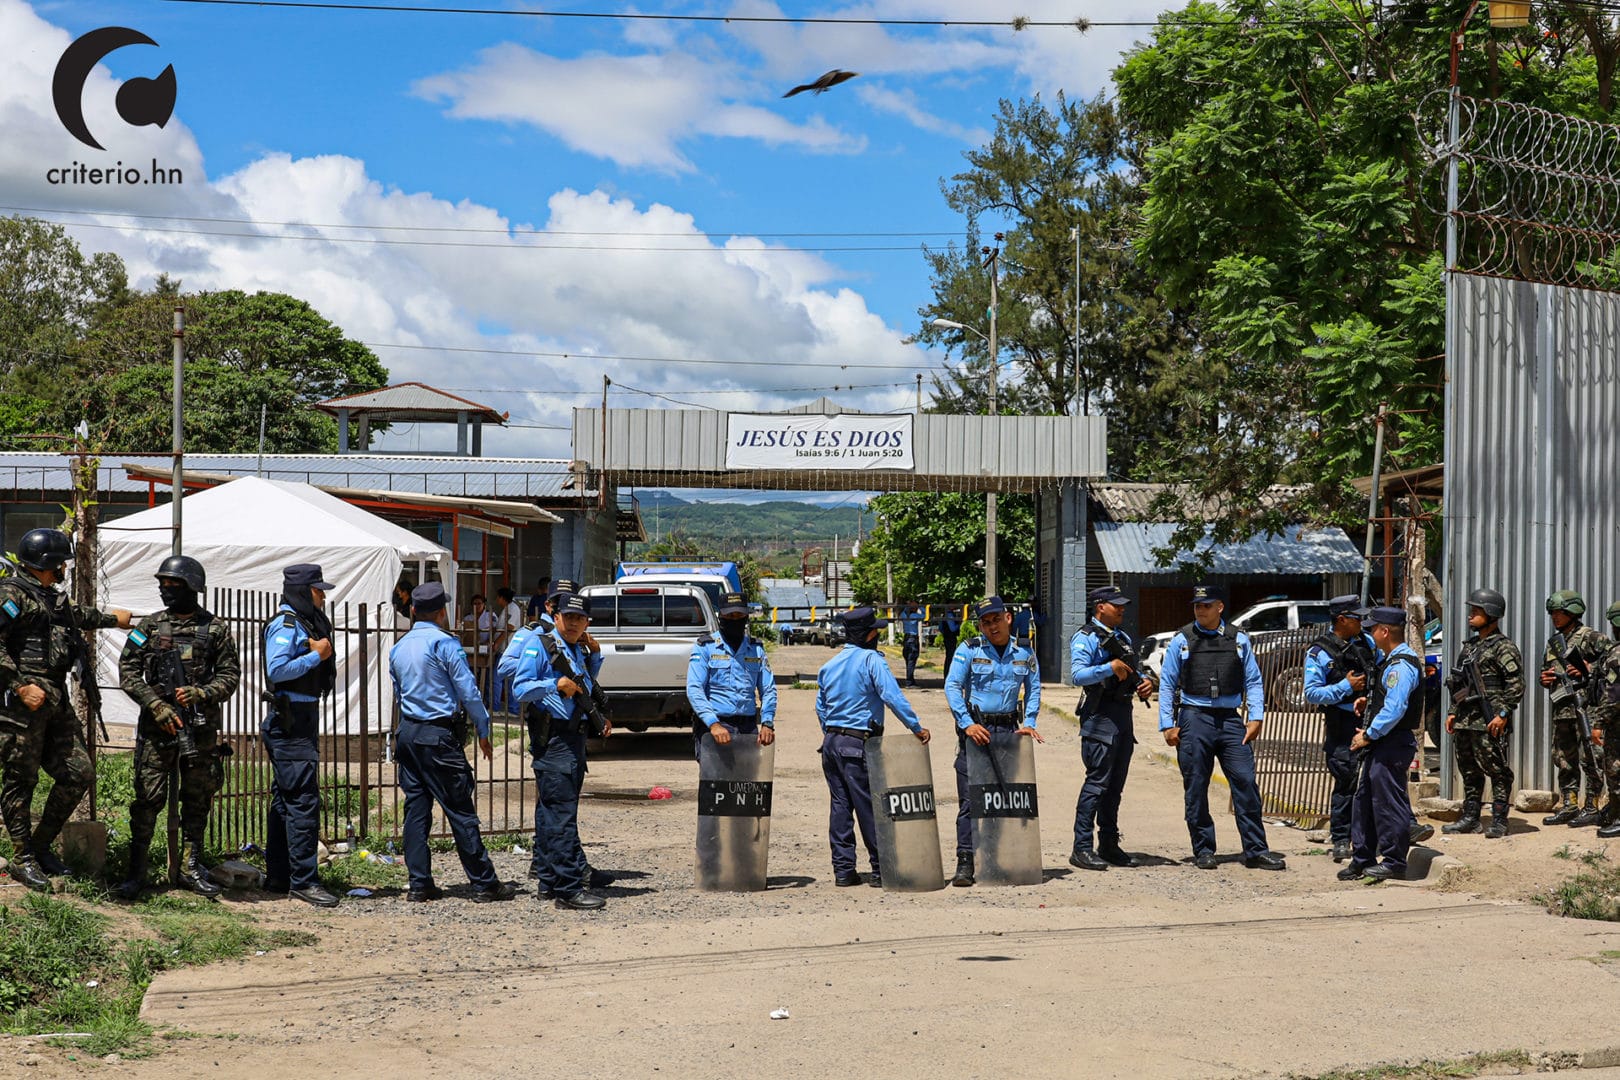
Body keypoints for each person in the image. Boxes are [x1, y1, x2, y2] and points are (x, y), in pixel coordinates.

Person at [0, 528, 131, 891]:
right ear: (48, 563)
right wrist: (19, 685)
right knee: (19, 782)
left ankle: (40, 847)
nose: (64, 569)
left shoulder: (50, 598)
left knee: (78, 773)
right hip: (20, 706)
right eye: (61, 563)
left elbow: (76, 616)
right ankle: (22, 857)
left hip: (55, 702)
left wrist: (113, 619)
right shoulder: (12, 595)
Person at [116, 555, 241, 900]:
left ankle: (189, 867)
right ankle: (136, 872)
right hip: (158, 730)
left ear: (193, 588)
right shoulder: (150, 627)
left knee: (197, 799)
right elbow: (127, 671)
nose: (166, 592)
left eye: (174, 586)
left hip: (199, 730)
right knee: (147, 800)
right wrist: (156, 705)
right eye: (163, 586)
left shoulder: (215, 629)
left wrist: (201, 692)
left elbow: (231, 676)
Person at [389, 582, 516, 904]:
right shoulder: (445, 644)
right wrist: (484, 728)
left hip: (408, 733)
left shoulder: (399, 647)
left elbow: (398, 692)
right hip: (437, 735)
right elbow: (468, 690)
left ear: (414, 610)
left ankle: (419, 883)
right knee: (459, 809)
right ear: (442, 612)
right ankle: (484, 883)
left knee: (416, 811)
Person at [1157, 584, 1286, 870]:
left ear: (1220, 608)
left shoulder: (1239, 640)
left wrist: (1256, 717)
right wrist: (1167, 725)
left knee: (1245, 782)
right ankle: (1203, 849)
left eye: (1207, 605)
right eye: (1197, 605)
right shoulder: (1182, 640)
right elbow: (1166, 684)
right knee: (1196, 787)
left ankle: (1255, 850)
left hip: (1229, 719)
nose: (1201, 610)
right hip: (1194, 718)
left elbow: (1253, 680)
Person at [815, 606, 930, 887]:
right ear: (868, 635)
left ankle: (843, 871)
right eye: (875, 630)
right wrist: (916, 727)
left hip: (831, 743)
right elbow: (892, 696)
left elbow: (820, 707)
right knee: (869, 806)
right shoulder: (871, 660)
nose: (877, 634)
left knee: (840, 807)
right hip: (857, 743)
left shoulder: (829, 666)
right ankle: (882, 869)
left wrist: (834, 734)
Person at [514, 590, 612, 910]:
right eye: (568, 617)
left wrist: (594, 658)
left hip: (573, 738)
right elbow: (520, 687)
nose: (573, 623)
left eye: (579, 619)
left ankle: (547, 881)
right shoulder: (540, 644)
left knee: (549, 814)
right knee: (561, 817)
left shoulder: (574, 648)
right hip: (555, 740)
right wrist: (553, 685)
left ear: (587, 622)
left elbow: (582, 686)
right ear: (555, 617)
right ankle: (568, 889)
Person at [944, 596, 1041, 886]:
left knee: (1001, 798)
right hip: (977, 731)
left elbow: (1034, 688)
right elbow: (952, 686)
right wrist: (967, 723)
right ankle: (965, 862)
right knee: (969, 801)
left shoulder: (1024, 652)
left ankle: (995, 859)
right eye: (986, 622)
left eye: (996, 619)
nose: (992, 626)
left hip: (1008, 732)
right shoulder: (970, 650)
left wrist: (1030, 723)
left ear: (1008, 618)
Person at [262, 563, 341, 907]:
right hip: (290, 722)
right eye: (317, 590)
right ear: (301, 592)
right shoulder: (286, 624)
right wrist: (315, 656)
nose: (322, 596)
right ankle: (304, 882)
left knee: (285, 801)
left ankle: (279, 876)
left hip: (302, 718)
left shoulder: (306, 622)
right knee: (303, 802)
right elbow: (276, 668)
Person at [1068, 585, 1152, 873]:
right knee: (1097, 783)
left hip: (1122, 714)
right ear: (1100, 606)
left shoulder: (1122, 638)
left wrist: (1144, 683)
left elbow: (1131, 670)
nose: (1122, 609)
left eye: (1122, 604)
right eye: (1116, 605)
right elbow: (1077, 674)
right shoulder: (1086, 637)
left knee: (1115, 785)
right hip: (1099, 715)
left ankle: (1108, 844)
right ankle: (1081, 848)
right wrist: (1107, 667)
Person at [1338, 607, 1423, 882]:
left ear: (1385, 631)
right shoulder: (1390, 661)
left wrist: (1369, 734)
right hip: (1383, 742)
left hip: (1392, 743)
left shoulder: (1401, 665)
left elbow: (1396, 708)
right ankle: (1362, 858)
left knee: (1388, 802)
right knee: (1364, 800)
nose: (1371, 633)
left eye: (1373, 628)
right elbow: (1385, 699)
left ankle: (1395, 861)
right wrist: (1368, 702)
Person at [1442, 587, 1524, 839]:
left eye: (1476, 611)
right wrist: (1453, 711)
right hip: (1467, 719)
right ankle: (1470, 817)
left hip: (1489, 720)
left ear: (1491, 614)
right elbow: (1459, 683)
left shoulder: (1504, 647)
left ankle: (1499, 819)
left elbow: (1516, 685)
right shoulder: (1470, 648)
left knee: (1497, 770)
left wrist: (1503, 713)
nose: (1470, 615)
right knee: (1468, 770)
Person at [1303, 595, 1378, 862]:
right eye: (1356, 617)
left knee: (1374, 778)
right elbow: (1311, 693)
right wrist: (1345, 687)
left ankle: (1371, 836)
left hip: (1370, 719)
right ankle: (1342, 838)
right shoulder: (1319, 651)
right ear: (1342, 619)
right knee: (1346, 780)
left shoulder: (1367, 643)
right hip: (1341, 723)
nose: (1362, 622)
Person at [1539, 590, 1608, 827]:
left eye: (1559, 613)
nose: (1555, 618)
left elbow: (1613, 662)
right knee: (1563, 758)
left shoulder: (1591, 637)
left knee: (1591, 757)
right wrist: (1545, 678)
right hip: (1562, 708)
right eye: (1553, 613)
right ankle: (1569, 805)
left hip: (1586, 707)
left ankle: (1592, 806)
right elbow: (1545, 671)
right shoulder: (1553, 643)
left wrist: (1589, 667)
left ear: (1572, 612)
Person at [687, 591, 776, 755]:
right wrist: (713, 724)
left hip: (748, 728)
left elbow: (768, 689)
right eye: (730, 616)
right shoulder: (705, 647)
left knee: (749, 778)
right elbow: (694, 689)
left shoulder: (756, 650)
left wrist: (767, 723)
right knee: (716, 779)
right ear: (720, 617)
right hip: (716, 726)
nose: (735, 620)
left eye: (739, 615)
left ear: (746, 617)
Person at [1592, 601, 1620, 838]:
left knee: (1615, 769)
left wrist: (1599, 723)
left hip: (1617, 724)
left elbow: (1613, 694)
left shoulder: (1617, 655)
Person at [491, 587, 524, 714]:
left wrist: (497, 642)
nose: (497, 600)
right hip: (505, 649)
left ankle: (498, 708)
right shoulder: (507, 609)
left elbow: (509, 628)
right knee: (508, 680)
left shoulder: (512, 609)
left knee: (497, 679)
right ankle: (511, 708)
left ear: (501, 597)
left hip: (507, 649)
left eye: (498, 597)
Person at [461, 594, 496, 702]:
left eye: (479, 603)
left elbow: (495, 630)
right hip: (471, 649)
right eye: (474, 604)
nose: (477, 606)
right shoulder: (468, 618)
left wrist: (488, 642)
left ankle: (486, 700)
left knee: (487, 678)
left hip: (486, 648)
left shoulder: (490, 615)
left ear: (484, 604)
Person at [899, 599, 923, 687]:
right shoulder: (916, 616)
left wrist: (909, 605)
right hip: (913, 639)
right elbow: (925, 615)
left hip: (906, 638)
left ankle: (911, 680)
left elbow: (904, 611)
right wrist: (919, 606)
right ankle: (909, 682)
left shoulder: (903, 615)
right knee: (912, 661)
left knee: (908, 661)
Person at [938, 606, 961, 672]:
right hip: (951, 638)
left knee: (948, 657)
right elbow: (953, 628)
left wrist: (945, 633)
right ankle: (949, 674)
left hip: (946, 637)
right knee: (950, 657)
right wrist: (959, 624)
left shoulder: (943, 615)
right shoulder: (950, 615)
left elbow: (940, 628)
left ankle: (946, 675)